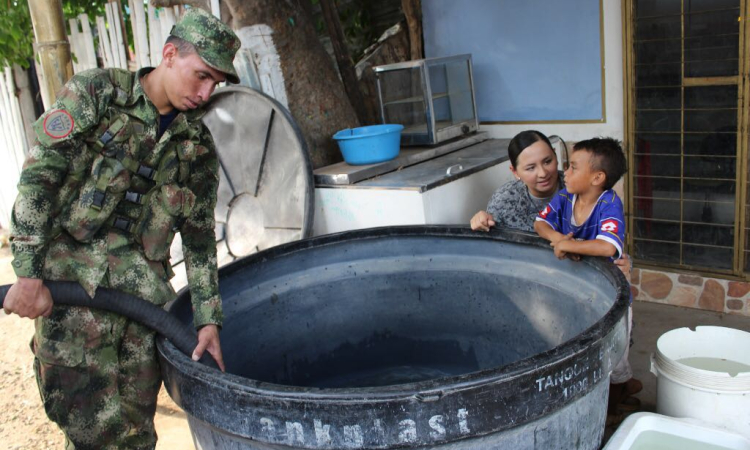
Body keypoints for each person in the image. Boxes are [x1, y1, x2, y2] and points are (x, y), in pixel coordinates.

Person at [2, 8, 240, 449]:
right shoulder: (97, 93)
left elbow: (201, 237)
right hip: (71, 296)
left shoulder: (197, 146)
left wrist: (208, 320)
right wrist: (29, 273)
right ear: (170, 54)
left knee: (135, 431)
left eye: (216, 84)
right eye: (201, 76)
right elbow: (40, 176)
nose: (206, 93)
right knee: (89, 431)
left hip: (141, 309)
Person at [534, 137, 641, 423]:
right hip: (581, 292)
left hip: (611, 296)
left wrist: (568, 246)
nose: (564, 173)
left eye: (572, 167)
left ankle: (613, 408)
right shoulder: (565, 198)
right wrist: (558, 238)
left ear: (597, 177)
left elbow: (607, 247)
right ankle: (622, 387)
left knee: (615, 356)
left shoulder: (609, 204)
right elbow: (540, 223)